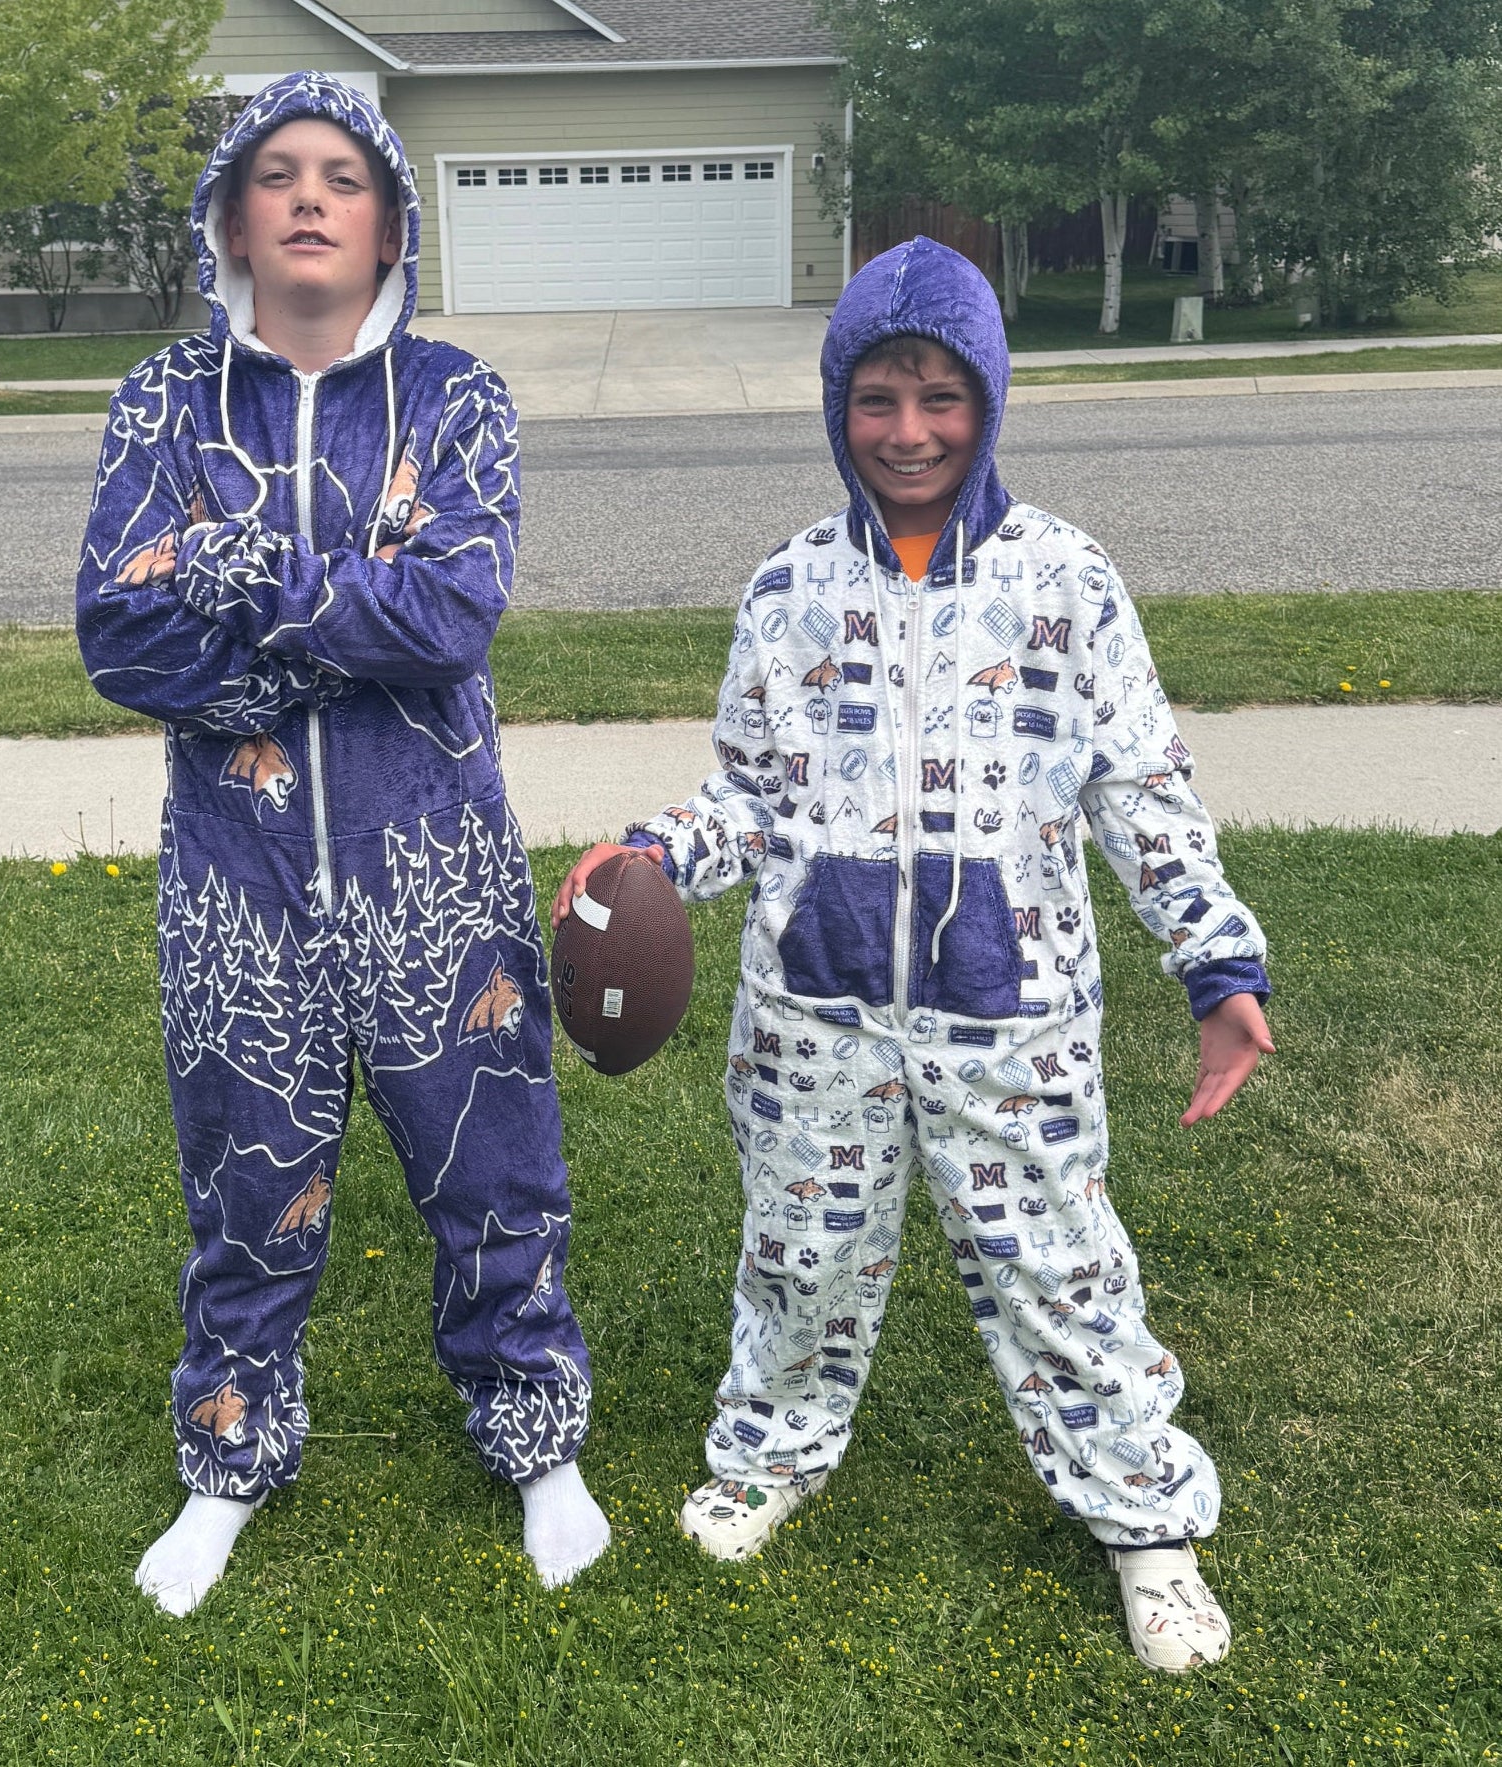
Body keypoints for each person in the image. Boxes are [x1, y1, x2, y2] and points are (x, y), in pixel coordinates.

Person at [554, 237, 1273, 1674]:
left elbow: (1140, 788)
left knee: (1058, 1271)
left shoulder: (1066, 581)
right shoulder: (787, 589)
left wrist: (1216, 963)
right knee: (799, 1256)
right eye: (876, 398)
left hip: (1012, 1018)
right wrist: (650, 856)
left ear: (987, 399)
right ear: (839, 407)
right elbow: (749, 792)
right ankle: (769, 1453)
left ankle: (1144, 1522)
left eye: (939, 396)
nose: (908, 432)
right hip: (811, 1017)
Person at [78, 71, 608, 1617]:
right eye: (277, 174)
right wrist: (344, 618)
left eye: (344, 177)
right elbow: (119, 634)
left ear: (389, 229)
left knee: (492, 1165)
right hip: (234, 884)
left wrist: (228, 562)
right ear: (231, 223)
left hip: (432, 871)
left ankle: (533, 1434)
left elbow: (451, 619)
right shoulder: (163, 402)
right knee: (243, 1179)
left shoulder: (457, 399)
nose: (309, 196)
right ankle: (228, 1456)